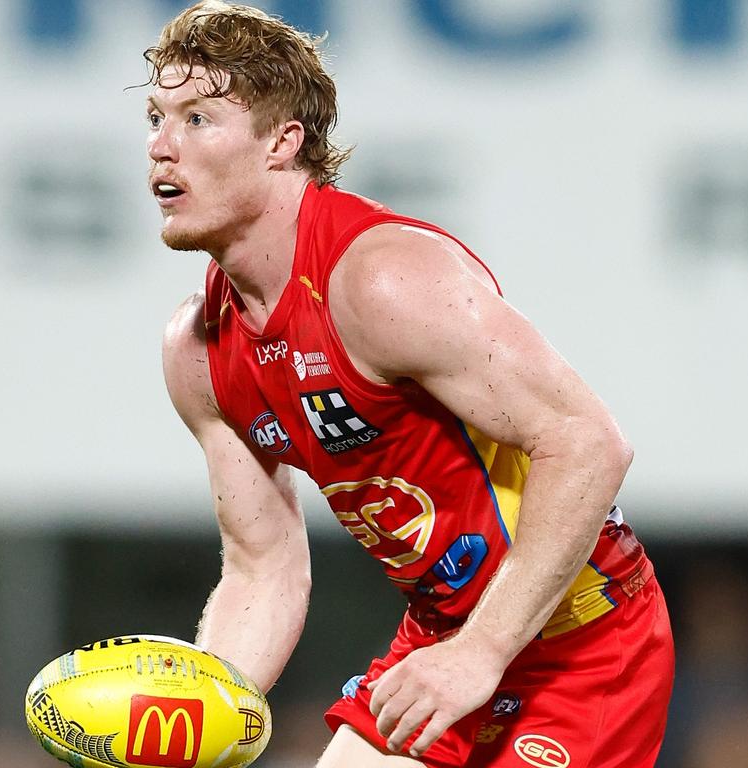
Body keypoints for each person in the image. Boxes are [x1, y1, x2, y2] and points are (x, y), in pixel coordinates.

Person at [150, 2, 675, 766]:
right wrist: (197, 721)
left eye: (198, 119)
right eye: (158, 117)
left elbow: (588, 443)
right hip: (440, 645)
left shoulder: (382, 280)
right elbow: (262, 566)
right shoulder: (197, 349)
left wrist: (482, 652)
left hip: (583, 645)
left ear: (281, 141)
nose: (161, 147)